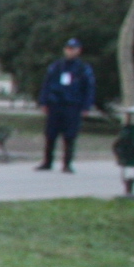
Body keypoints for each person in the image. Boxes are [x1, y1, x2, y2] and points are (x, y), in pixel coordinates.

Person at [38, 36, 96, 170]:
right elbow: (46, 84)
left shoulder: (83, 68)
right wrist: (44, 101)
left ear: (78, 51)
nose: (70, 52)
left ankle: (67, 163)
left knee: (70, 135)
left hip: (72, 106)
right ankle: (47, 162)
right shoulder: (56, 66)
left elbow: (89, 88)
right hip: (55, 104)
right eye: (68, 49)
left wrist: (86, 106)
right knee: (50, 134)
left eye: (73, 49)